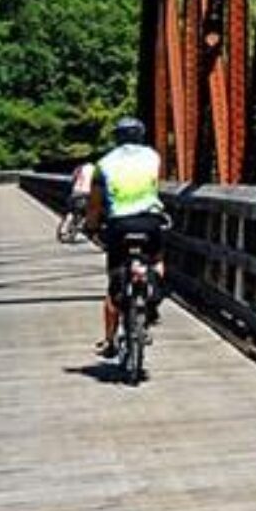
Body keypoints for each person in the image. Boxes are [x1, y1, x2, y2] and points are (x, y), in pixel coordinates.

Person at [85, 116, 166, 359]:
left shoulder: (104, 163)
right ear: (141, 135)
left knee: (114, 281)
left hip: (119, 225)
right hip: (150, 222)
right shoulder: (153, 156)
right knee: (157, 259)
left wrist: (92, 227)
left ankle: (109, 340)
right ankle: (152, 302)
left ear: (117, 138)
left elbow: (95, 204)